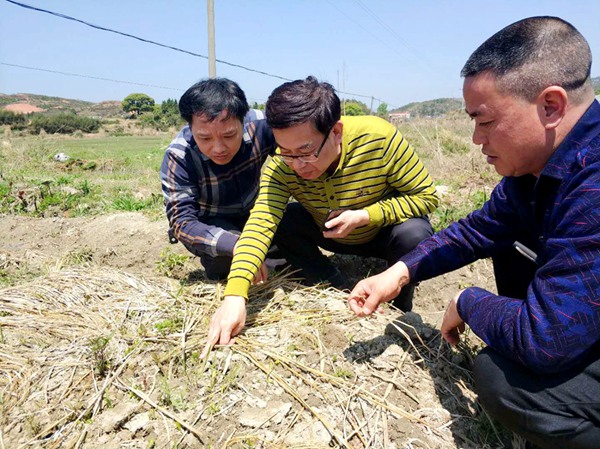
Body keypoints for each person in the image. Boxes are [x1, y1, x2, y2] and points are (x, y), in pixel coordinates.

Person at [348, 16, 600, 449]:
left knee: (504, 380)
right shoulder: (537, 170)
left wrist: (470, 301)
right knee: (513, 247)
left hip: (563, 332)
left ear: (552, 106)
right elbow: (477, 230)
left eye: (484, 121)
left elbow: (545, 341)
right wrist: (400, 273)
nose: (475, 139)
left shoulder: (592, 183)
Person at [201, 75, 440, 357]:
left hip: (382, 234)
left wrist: (366, 215)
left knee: (414, 235)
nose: (297, 165)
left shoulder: (379, 138)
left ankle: (400, 306)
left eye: (306, 151)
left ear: (336, 132)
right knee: (285, 221)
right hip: (330, 231)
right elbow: (261, 223)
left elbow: (427, 197)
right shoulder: (282, 166)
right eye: (286, 152)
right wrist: (235, 295)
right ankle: (330, 282)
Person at [160, 78, 277, 281]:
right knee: (227, 259)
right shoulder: (179, 156)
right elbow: (182, 222)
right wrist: (236, 245)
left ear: (243, 120)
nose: (219, 148)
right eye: (205, 138)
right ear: (190, 127)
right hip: (210, 221)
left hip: (253, 212)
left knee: (289, 251)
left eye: (229, 135)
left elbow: (295, 154)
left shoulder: (263, 125)